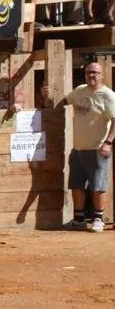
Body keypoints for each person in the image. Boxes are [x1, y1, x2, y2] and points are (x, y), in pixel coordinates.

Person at [49, 61, 115, 232]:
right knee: (76, 184)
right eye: (88, 72)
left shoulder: (108, 95)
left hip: (98, 148)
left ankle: (98, 218)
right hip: (78, 148)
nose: (91, 75)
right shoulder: (80, 90)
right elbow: (63, 101)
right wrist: (48, 97)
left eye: (94, 72)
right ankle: (79, 219)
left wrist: (108, 143)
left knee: (98, 186)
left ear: (101, 75)